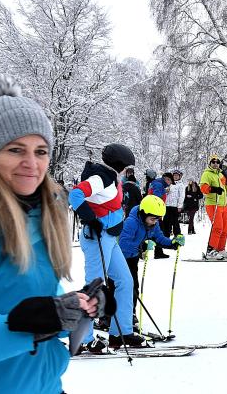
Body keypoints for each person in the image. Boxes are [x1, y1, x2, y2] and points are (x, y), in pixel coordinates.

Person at [0, 75, 109, 391]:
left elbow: (35, 306)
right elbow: (20, 319)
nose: (31, 163)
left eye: (41, 151)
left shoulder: (44, 211)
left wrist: (74, 307)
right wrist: (16, 325)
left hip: (44, 384)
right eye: (16, 150)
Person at [70, 142, 143, 351]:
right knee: (94, 286)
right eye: (127, 166)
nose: (128, 169)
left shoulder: (112, 177)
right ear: (120, 163)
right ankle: (83, 339)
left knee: (125, 280)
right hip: (97, 238)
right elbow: (75, 194)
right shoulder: (99, 178)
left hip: (109, 239)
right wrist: (90, 219)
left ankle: (121, 333)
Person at [118, 196, 184, 320]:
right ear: (143, 214)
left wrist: (173, 243)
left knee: (133, 286)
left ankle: (130, 314)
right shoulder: (131, 222)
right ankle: (108, 316)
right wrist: (142, 246)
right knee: (120, 287)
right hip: (119, 260)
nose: (155, 222)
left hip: (133, 259)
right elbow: (123, 244)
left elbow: (158, 238)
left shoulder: (152, 223)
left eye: (157, 219)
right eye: (153, 219)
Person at [200, 155, 227, 259]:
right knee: (218, 227)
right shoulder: (207, 174)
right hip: (213, 204)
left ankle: (220, 249)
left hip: (223, 205)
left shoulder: (220, 175)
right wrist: (214, 189)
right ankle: (210, 250)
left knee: (226, 228)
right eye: (213, 162)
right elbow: (203, 188)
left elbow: (224, 188)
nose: (215, 164)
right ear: (210, 163)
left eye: (217, 162)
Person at [162, 169, 185, 239]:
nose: (175, 177)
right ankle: (166, 234)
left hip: (175, 206)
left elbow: (182, 196)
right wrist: (165, 191)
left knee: (175, 221)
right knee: (166, 220)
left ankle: (177, 235)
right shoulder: (169, 183)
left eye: (177, 175)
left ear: (179, 176)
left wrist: (179, 206)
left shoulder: (181, 185)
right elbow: (164, 192)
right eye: (174, 175)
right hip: (167, 205)